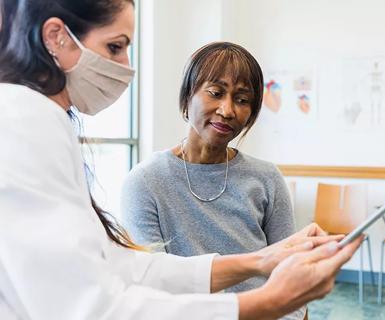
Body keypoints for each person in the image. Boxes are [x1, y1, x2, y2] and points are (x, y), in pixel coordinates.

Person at [0, 0, 362, 319]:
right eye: (115, 47)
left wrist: (263, 260)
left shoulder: (44, 120)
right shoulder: (25, 123)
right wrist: (265, 303)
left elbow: (122, 267)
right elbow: (97, 308)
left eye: (242, 99)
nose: (127, 66)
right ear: (56, 37)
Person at [121, 41, 301, 319]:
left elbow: (289, 271)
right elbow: (149, 282)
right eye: (215, 93)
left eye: (242, 100)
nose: (227, 110)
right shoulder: (145, 181)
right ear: (187, 97)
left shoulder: (266, 178)